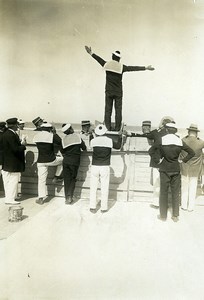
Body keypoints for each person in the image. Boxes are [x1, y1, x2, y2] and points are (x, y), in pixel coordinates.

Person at [85, 46, 154, 131]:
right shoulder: (121, 67)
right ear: (119, 59)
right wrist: (146, 68)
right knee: (118, 111)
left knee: (107, 111)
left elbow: (98, 59)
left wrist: (91, 53)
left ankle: (107, 127)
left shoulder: (107, 64)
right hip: (118, 92)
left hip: (109, 91)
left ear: (112, 57)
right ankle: (117, 128)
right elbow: (132, 68)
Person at [151, 123, 195, 222]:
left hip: (164, 169)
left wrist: (157, 160)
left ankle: (163, 216)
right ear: (175, 130)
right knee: (175, 193)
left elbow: (151, 151)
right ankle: (175, 215)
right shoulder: (179, 141)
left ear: (166, 130)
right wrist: (183, 160)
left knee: (163, 193)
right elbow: (192, 152)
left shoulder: (161, 140)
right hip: (175, 169)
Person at [129, 116, 176, 208]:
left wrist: (131, 134)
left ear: (162, 124)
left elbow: (145, 135)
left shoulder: (156, 133)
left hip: (156, 162)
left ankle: (156, 203)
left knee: (156, 183)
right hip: (168, 162)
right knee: (165, 184)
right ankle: (164, 203)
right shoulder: (174, 136)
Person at [33, 123, 63, 205]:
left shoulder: (36, 136)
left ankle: (41, 198)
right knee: (64, 160)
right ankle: (57, 177)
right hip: (51, 160)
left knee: (41, 180)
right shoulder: (51, 136)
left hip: (40, 161)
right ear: (50, 129)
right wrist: (55, 133)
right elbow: (60, 142)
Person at [180, 124, 204, 212]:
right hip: (195, 169)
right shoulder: (201, 142)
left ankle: (183, 206)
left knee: (184, 187)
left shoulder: (183, 140)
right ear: (196, 133)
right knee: (193, 188)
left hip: (184, 167)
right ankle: (190, 207)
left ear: (188, 131)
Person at [2, 118, 26, 205]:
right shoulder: (11, 135)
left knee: (7, 181)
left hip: (7, 162)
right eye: (17, 124)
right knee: (13, 180)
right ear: (15, 125)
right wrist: (23, 145)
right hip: (13, 162)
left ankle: (9, 197)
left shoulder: (5, 134)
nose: (18, 126)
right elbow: (15, 149)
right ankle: (11, 199)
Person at [89, 124, 113, 213]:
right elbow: (118, 145)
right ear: (105, 131)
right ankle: (103, 208)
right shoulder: (110, 141)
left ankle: (92, 207)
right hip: (105, 166)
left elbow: (91, 145)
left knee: (93, 187)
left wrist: (92, 135)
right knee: (104, 187)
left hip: (95, 166)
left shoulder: (93, 140)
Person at [61, 123, 87, 204]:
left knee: (66, 180)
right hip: (74, 161)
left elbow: (62, 151)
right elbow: (84, 148)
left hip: (65, 161)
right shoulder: (77, 137)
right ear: (70, 129)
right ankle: (69, 196)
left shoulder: (63, 139)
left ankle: (66, 197)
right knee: (73, 179)